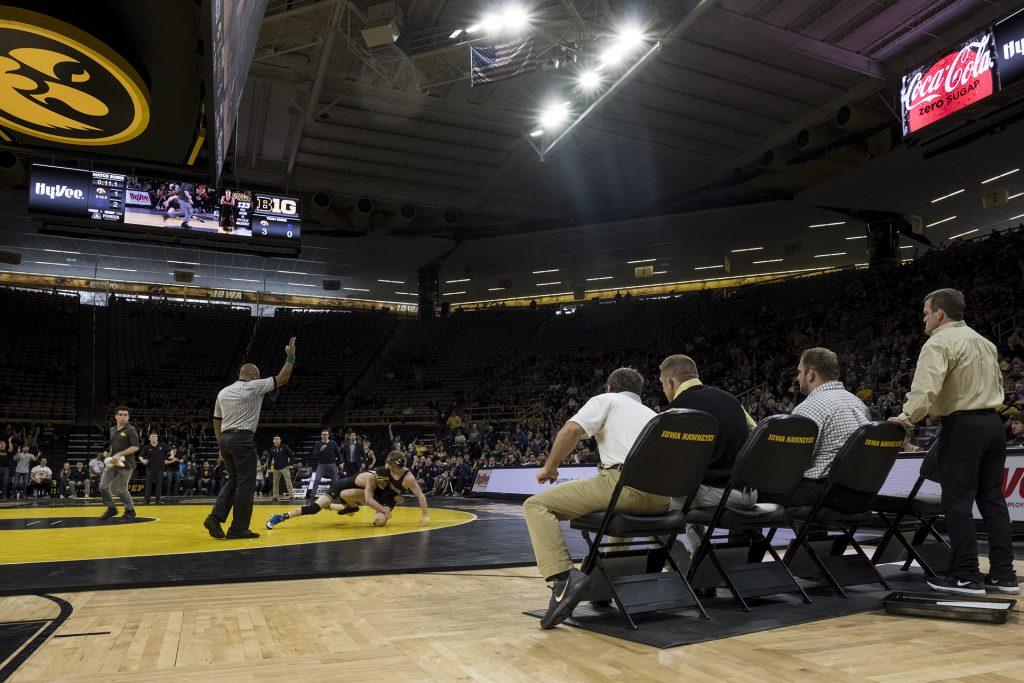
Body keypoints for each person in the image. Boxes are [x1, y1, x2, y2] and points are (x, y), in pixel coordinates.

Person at [890, 289, 1018, 596]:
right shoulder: (985, 342)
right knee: (993, 501)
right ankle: (1004, 574)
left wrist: (906, 417)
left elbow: (926, 388)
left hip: (963, 427)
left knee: (958, 502)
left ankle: (965, 575)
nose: (923, 318)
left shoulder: (938, 342)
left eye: (925, 312)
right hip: (992, 425)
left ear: (940, 314)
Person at [523, 368, 670, 630]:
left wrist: (551, 466)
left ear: (609, 387)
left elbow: (571, 431)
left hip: (624, 485)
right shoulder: (655, 415)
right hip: (662, 498)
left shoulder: (607, 400)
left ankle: (562, 578)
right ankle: (605, 585)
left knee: (536, 505)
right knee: (620, 513)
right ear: (638, 391)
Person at [658, 354, 757, 550]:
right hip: (751, 493)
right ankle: (704, 559)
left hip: (719, 496)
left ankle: (697, 559)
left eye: (662, 384)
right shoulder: (731, 400)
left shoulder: (676, 410)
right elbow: (756, 433)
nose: (663, 389)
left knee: (657, 503)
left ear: (670, 382)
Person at [205, 337, 296, 540]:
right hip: (242, 439)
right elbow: (282, 378)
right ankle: (238, 528)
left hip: (226, 440)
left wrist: (220, 444)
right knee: (247, 484)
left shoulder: (223, 392)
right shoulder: (254, 386)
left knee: (234, 480)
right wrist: (290, 356)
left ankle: (214, 518)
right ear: (254, 376)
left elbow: (216, 421)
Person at [762, 348, 872, 511]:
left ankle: (748, 537)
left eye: (799, 372)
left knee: (750, 486)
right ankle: (814, 536)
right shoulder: (858, 404)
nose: (797, 377)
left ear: (811, 374)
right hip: (863, 493)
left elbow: (789, 466)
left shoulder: (808, 408)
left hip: (828, 495)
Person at [267, 451, 429, 529]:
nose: (390, 469)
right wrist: (385, 510)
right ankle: (281, 517)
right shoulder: (373, 479)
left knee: (378, 521)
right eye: (382, 482)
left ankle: (348, 507)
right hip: (343, 487)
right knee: (315, 508)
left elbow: (416, 494)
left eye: (393, 467)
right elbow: (370, 499)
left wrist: (422, 513)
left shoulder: (398, 474)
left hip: (361, 493)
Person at [99, 406, 141, 520]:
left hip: (126, 464)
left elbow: (135, 447)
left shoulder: (131, 430)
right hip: (113, 462)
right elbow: (113, 445)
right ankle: (112, 508)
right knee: (103, 487)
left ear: (128, 417)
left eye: (125, 415)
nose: (123, 417)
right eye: (121, 414)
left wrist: (120, 454)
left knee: (121, 489)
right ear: (116, 416)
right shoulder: (113, 429)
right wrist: (109, 453)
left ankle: (130, 510)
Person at [139, 431, 169, 504]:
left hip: (160, 469)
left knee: (159, 486)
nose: (155, 438)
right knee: (148, 485)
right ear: (149, 438)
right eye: (153, 436)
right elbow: (140, 456)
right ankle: (146, 500)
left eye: (156, 436)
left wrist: (171, 455)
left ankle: (158, 500)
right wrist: (143, 461)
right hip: (150, 469)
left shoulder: (162, 445)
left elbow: (170, 450)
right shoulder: (146, 447)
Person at [309, 429, 342, 497]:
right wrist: (320, 450)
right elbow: (314, 455)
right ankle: (312, 495)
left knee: (335, 480)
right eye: (323, 434)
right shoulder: (318, 444)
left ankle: (337, 494)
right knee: (317, 479)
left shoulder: (333, 443)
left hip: (332, 464)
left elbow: (338, 454)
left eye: (326, 434)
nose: (325, 435)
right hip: (321, 465)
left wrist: (340, 463)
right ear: (321, 435)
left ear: (328, 435)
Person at [266, 435, 295, 501]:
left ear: (280, 440)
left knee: (288, 481)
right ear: (273, 441)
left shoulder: (284, 447)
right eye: (275, 439)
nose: (276, 440)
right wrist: (269, 467)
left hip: (284, 467)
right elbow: (270, 459)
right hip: (276, 468)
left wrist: (290, 464)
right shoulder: (271, 449)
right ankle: (275, 496)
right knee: (275, 483)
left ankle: (291, 496)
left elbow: (291, 455)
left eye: (278, 439)